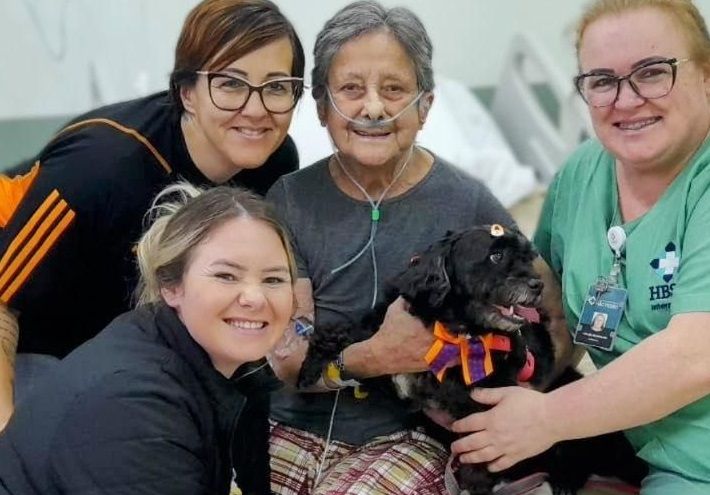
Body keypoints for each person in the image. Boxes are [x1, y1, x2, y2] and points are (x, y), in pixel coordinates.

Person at [0, 0, 305, 428]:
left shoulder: (273, 162)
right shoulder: (103, 168)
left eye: (276, 86)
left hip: (131, 358)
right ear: (186, 93)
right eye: (230, 84)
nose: (255, 110)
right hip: (35, 350)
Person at [451, 1, 710, 493]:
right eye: (602, 81)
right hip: (667, 465)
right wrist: (499, 389)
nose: (626, 99)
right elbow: (553, 311)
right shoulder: (581, 175)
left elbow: (694, 357)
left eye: (653, 73)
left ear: (707, 75)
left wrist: (547, 418)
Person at [265, 2, 522, 493]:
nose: (374, 108)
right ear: (321, 106)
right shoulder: (289, 200)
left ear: (424, 107)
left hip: (406, 436)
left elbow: (538, 310)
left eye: (395, 89)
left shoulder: (468, 204)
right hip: (286, 425)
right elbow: (289, 358)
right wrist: (375, 355)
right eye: (351, 89)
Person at [0, 182, 296, 494]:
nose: (254, 297)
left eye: (274, 279)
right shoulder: (134, 402)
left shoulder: (241, 372)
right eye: (226, 276)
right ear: (171, 287)